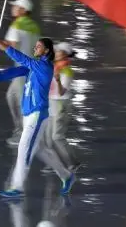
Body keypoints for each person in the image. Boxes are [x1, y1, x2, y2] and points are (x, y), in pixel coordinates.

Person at [0, 38, 75, 198]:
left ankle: (18, 187)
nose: (35, 47)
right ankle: (67, 176)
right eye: (35, 45)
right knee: (41, 150)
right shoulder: (34, 66)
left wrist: (5, 47)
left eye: (39, 46)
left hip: (37, 115)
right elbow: (19, 70)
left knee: (24, 149)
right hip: (28, 115)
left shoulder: (44, 66)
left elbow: (23, 59)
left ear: (47, 51)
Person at [3, 0, 40, 147]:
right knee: (11, 97)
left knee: (19, 101)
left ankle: (25, 135)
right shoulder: (35, 27)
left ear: (23, 10)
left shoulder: (17, 24)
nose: (13, 9)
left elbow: (11, 46)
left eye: (16, 7)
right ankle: (21, 130)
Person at [46, 42, 79, 172]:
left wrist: (58, 80)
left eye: (59, 51)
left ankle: (73, 163)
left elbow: (61, 92)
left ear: (65, 55)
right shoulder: (55, 66)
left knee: (57, 136)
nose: (56, 53)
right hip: (51, 103)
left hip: (61, 105)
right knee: (48, 136)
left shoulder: (67, 71)